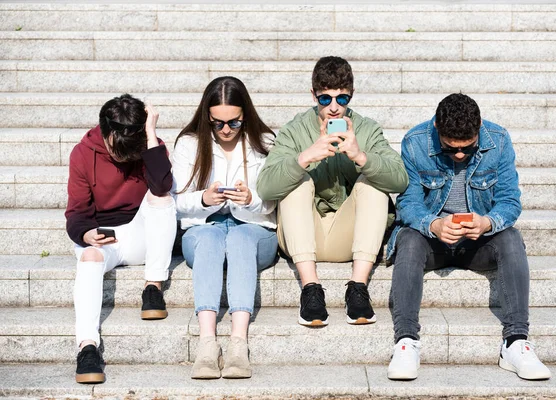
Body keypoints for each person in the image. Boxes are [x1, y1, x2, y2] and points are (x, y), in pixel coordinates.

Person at [386, 93, 551, 381]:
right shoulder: (415, 142)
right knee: (409, 239)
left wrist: (487, 222)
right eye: (451, 150)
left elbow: (510, 201)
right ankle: (406, 341)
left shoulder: (498, 140)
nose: (460, 155)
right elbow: (408, 203)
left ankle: (515, 342)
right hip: (433, 240)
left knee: (511, 238)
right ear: (437, 127)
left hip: (478, 242)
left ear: (479, 128)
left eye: (469, 148)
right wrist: (434, 224)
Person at [257, 56, 408, 327]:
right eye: (325, 99)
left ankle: (358, 288)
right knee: (298, 181)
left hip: (350, 237)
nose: (335, 108)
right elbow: (266, 187)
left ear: (352, 95)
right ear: (313, 95)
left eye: (342, 99)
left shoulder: (366, 128)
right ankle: (311, 289)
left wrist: (361, 157)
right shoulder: (294, 129)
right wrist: (304, 158)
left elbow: (399, 181)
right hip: (302, 235)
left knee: (371, 183)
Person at [171, 76, 278, 379]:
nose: (226, 130)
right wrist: (204, 198)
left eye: (234, 123)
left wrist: (252, 199)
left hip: (256, 228)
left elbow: (274, 202)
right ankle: (207, 343)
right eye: (218, 124)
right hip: (205, 226)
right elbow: (174, 203)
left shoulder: (265, 142)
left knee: (242, 238)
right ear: (207, 117)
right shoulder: (190, 144)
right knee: (208, 237)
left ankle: (238, 343)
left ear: (246, 115)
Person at [65, 94, 177, 384]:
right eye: (120, 149)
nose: (126, 157)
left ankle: (153, 287)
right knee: (89, 259)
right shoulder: (82, 153)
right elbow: (76, 213)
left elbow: (163, 184)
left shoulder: (148, 145)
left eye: (133, 149)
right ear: (107, 132)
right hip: (103, 239)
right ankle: (87, 347)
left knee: (161, 197)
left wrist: (151, 134)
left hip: (141, 233)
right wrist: (86, 233)